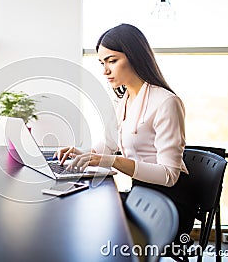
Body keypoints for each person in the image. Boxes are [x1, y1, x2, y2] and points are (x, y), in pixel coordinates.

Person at [55, 23, 196, 241]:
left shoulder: (166, 102)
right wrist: (82, 153)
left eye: (112, 61)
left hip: (168, 204)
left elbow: (169, 176)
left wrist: (112, 161)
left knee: (95, 228)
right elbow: (109, 144)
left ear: (134, 56)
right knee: (82, 215)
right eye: (102, 63)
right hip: (141, 194)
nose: (105, 70)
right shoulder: (123, 100)